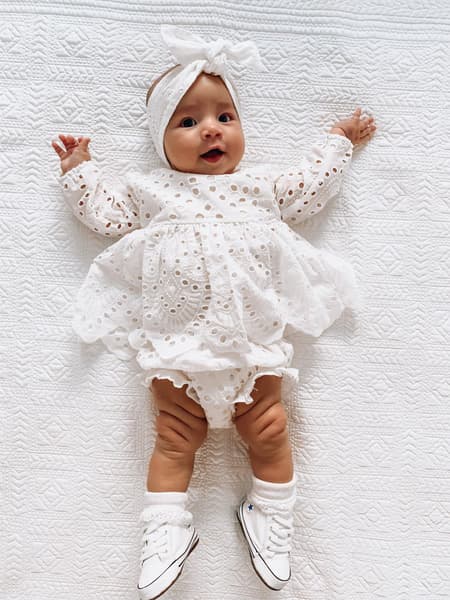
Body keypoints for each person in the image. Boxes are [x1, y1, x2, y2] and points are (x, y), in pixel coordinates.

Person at [51, 25, 376, 600]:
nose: (211, 129)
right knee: (175, 437)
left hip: (253, 348)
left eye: (225, 116)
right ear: (161, 143)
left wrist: (338, 142)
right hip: (177, 350)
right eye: (187, 121)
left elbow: (308, 189)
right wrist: (81, 169)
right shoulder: (152, 191)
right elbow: (105, 215)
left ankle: (270, 511)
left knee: (270, 428)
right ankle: (165, 526)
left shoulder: (259, 186)